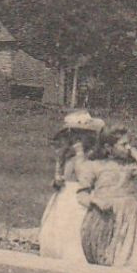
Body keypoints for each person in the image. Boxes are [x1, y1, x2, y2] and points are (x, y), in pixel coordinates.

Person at [76, 124, 137, 271]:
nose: (128, 147)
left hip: (128, 215)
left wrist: (136, 155)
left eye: (129, 144)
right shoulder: (94, 166)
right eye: (123, 144)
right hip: (103, 214)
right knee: (103, 251)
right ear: (108, 147)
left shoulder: (129, 166)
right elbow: (81, 194)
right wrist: (95, 202)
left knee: (126, 252)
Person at [38, 111, 101, 264]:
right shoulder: (66, 156)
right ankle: (53, 258)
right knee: (56, 229)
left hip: (80, 196)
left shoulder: (91, 157)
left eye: (82, 135)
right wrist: (57, 180)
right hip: (64, 197)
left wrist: (80, 154)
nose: (77, 140)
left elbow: (84, 176)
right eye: (74, 136)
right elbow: (59, 178)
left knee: (75, 231)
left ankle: (75, 262)